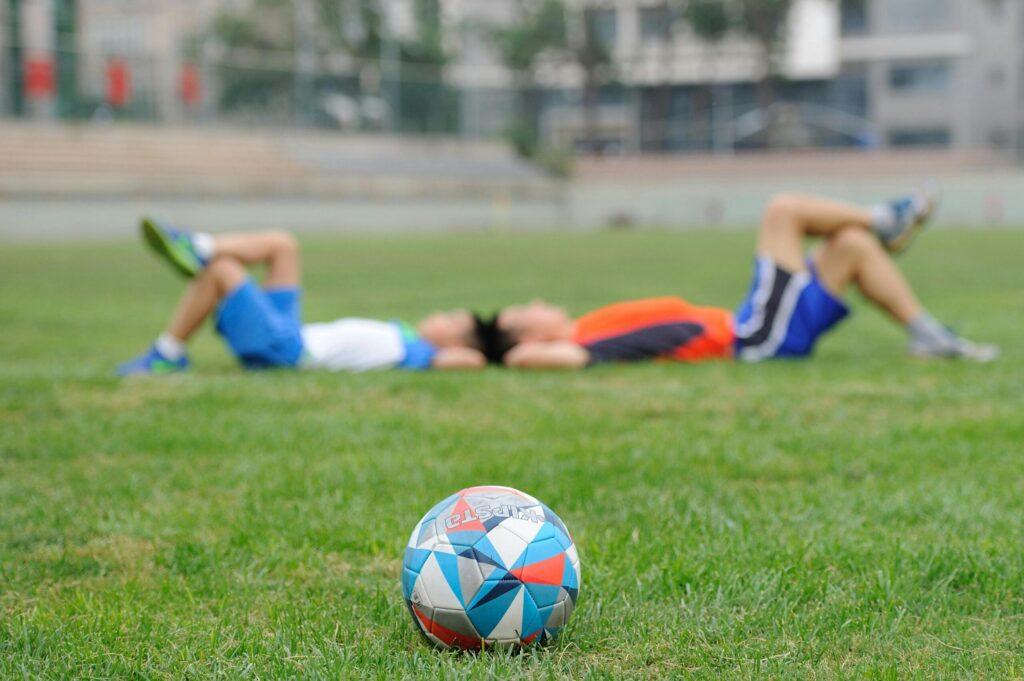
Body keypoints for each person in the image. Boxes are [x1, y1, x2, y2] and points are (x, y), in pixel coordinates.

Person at [485, 190, 999, 369]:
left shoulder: (583, 324)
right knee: (783, 211)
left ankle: (928, 334)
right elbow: (533, 359)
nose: (535, 300)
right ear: (531, 336)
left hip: (756, 327)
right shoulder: (581, 342)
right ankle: (886, 218)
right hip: (754, 337)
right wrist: (499, 350)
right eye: (523, 312)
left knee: (849, 248)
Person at [118, 219, 487, 376]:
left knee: (224, 271)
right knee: (283, 245)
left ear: (455, 341)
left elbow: (475, 361)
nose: (440, 314)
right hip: (292, 332)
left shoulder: (427, 355)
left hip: (288, 352)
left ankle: (167, 355)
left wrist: (502, 340)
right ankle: (199, 245)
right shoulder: (406, 334)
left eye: (451, 321)